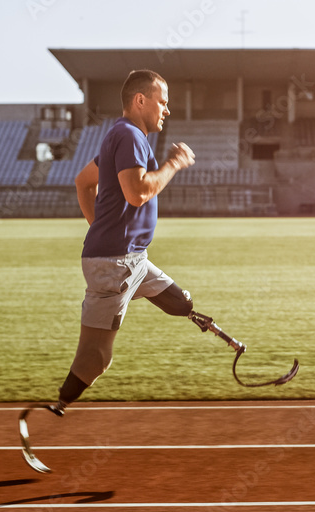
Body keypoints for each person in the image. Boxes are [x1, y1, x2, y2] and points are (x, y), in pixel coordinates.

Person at [48, 69, 196, 416]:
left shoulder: (120, 135)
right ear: (140, 100)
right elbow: (138, 192)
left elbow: (83, 183)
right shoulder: (129, 136)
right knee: (96, 358)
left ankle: (195, 315)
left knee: (181, 302)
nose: (167, 110)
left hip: (131, 260)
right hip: (117, 264)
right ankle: (56, 405)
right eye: (163, 101)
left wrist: (101, 227)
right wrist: (174, 163)